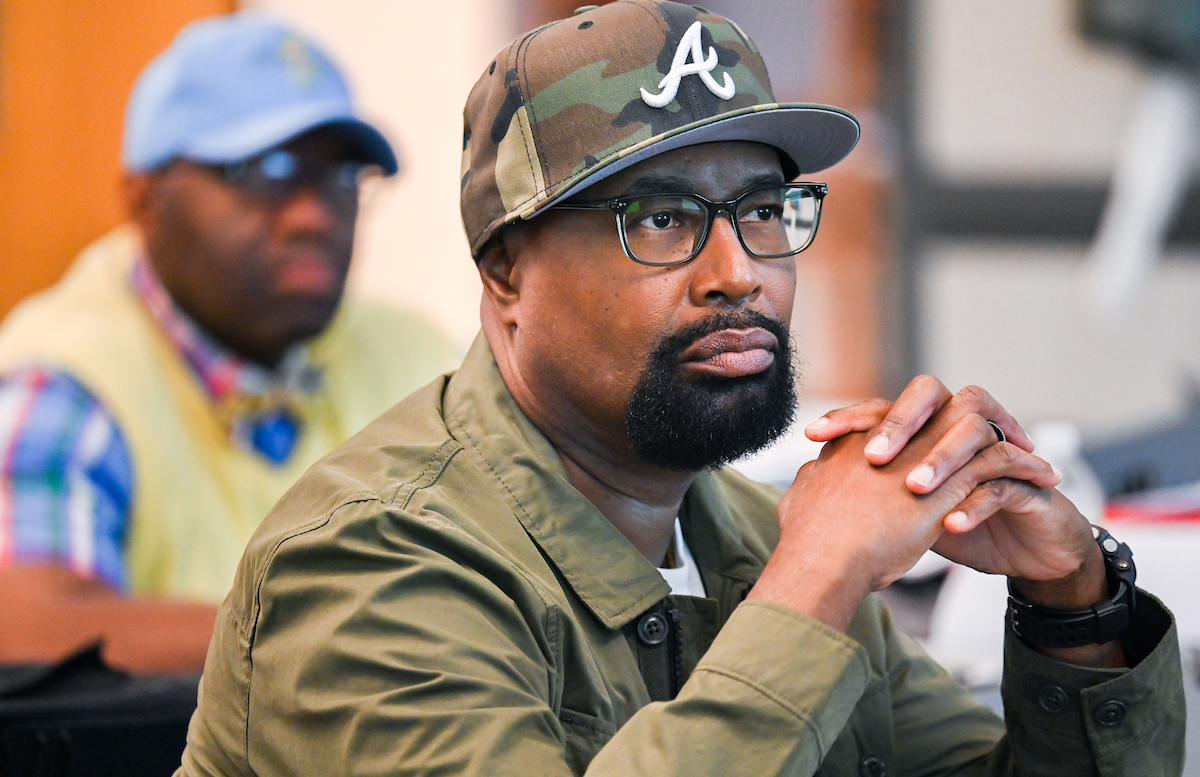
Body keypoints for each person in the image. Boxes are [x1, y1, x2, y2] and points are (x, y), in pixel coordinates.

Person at [178, 2, 1185, 775]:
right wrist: (819, 577)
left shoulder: (744, 533)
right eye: (661, 219)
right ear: (506, 271)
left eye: (764, 209)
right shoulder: (370, 564)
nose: (740, 273)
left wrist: (1073, 605)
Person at [0, 14, 458, 673]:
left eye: (340, 175)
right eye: (263, 170)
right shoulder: (68, 377)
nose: (313, 215)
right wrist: (336, 633)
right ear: (142, 197)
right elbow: (29, 630)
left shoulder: (418, 357)